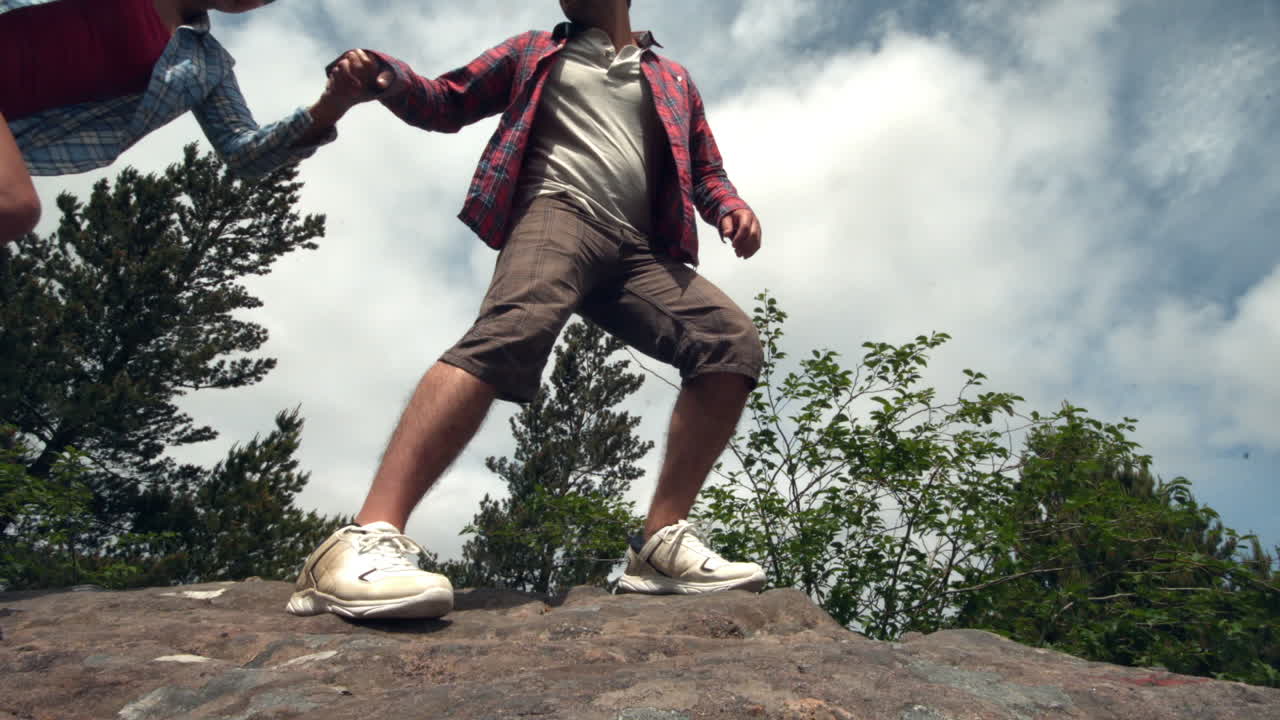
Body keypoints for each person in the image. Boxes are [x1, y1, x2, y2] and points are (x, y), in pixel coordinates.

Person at [287, 0, 767, 620]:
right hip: (556, 212)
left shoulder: (671, 78)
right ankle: (359, 541)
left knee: (729, 343)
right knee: (511, 331)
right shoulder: (535, 49)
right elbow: (447, 99)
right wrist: (383, 74)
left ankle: (659, 546)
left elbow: (705, 167)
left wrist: (728, 203)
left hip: (638, 251)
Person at [0, 0, 387, 244]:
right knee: (16, 207)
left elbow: (245, 155)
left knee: (14, 210)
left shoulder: (207, 64)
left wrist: (333, 103)